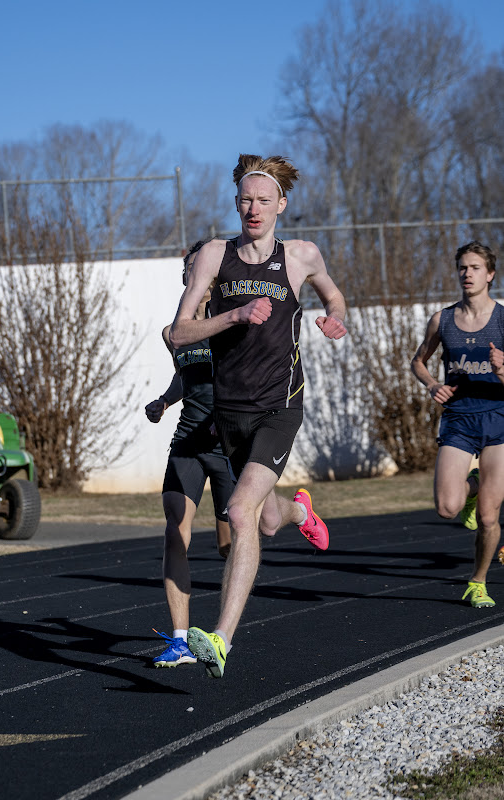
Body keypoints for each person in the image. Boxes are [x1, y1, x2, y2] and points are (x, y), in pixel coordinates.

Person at [169, 154, 347, 677]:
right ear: (237, 203)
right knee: (268, 519)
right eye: (246, 199)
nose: (253, 208)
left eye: (263, 200)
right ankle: (299, 513)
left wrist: (335, 319)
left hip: (280, 405)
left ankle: (220, 639)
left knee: (240, 512)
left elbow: (335, 297)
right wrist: (235, 314)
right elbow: (178, 332)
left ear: (281, 206)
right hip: (230, 411)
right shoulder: (213, 257)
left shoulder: (301, 256)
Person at [145, 241, 234, 667]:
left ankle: (296, 512)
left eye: (201, 267)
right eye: (189, 268)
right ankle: (180, 640)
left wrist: (229, 417)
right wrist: (164, 401)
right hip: (187, 444)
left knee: (229, 546)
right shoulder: (173, 333)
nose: (194, 274)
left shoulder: (231, 325)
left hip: (229, 445)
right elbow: (186, 377)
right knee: (174, 532)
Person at [411, 240, 504, 609]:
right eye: (462, 267)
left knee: (488, 515)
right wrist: (433, 384)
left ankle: (478, 582)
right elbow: (418, 361)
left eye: (475, 267)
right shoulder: (443, 320)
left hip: (498, 420)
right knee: (447, 507)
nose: (467, 273)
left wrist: (501, 371)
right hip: (459, 420)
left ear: (490, 275)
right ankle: (476, 484)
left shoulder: (502, 319)